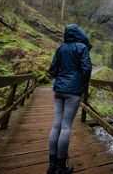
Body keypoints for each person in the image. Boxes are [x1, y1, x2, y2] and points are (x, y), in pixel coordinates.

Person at [47, 24, 92, 174]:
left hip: (58, 90)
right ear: (79, 34)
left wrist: (60, 79)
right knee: (65, 127)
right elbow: (87, 69)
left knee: (56, 125)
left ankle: (52, 166)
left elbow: (52, 69)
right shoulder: (82, 47)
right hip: (73, 92)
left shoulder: (60, 48)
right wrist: (82, 82)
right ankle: (61, 167)